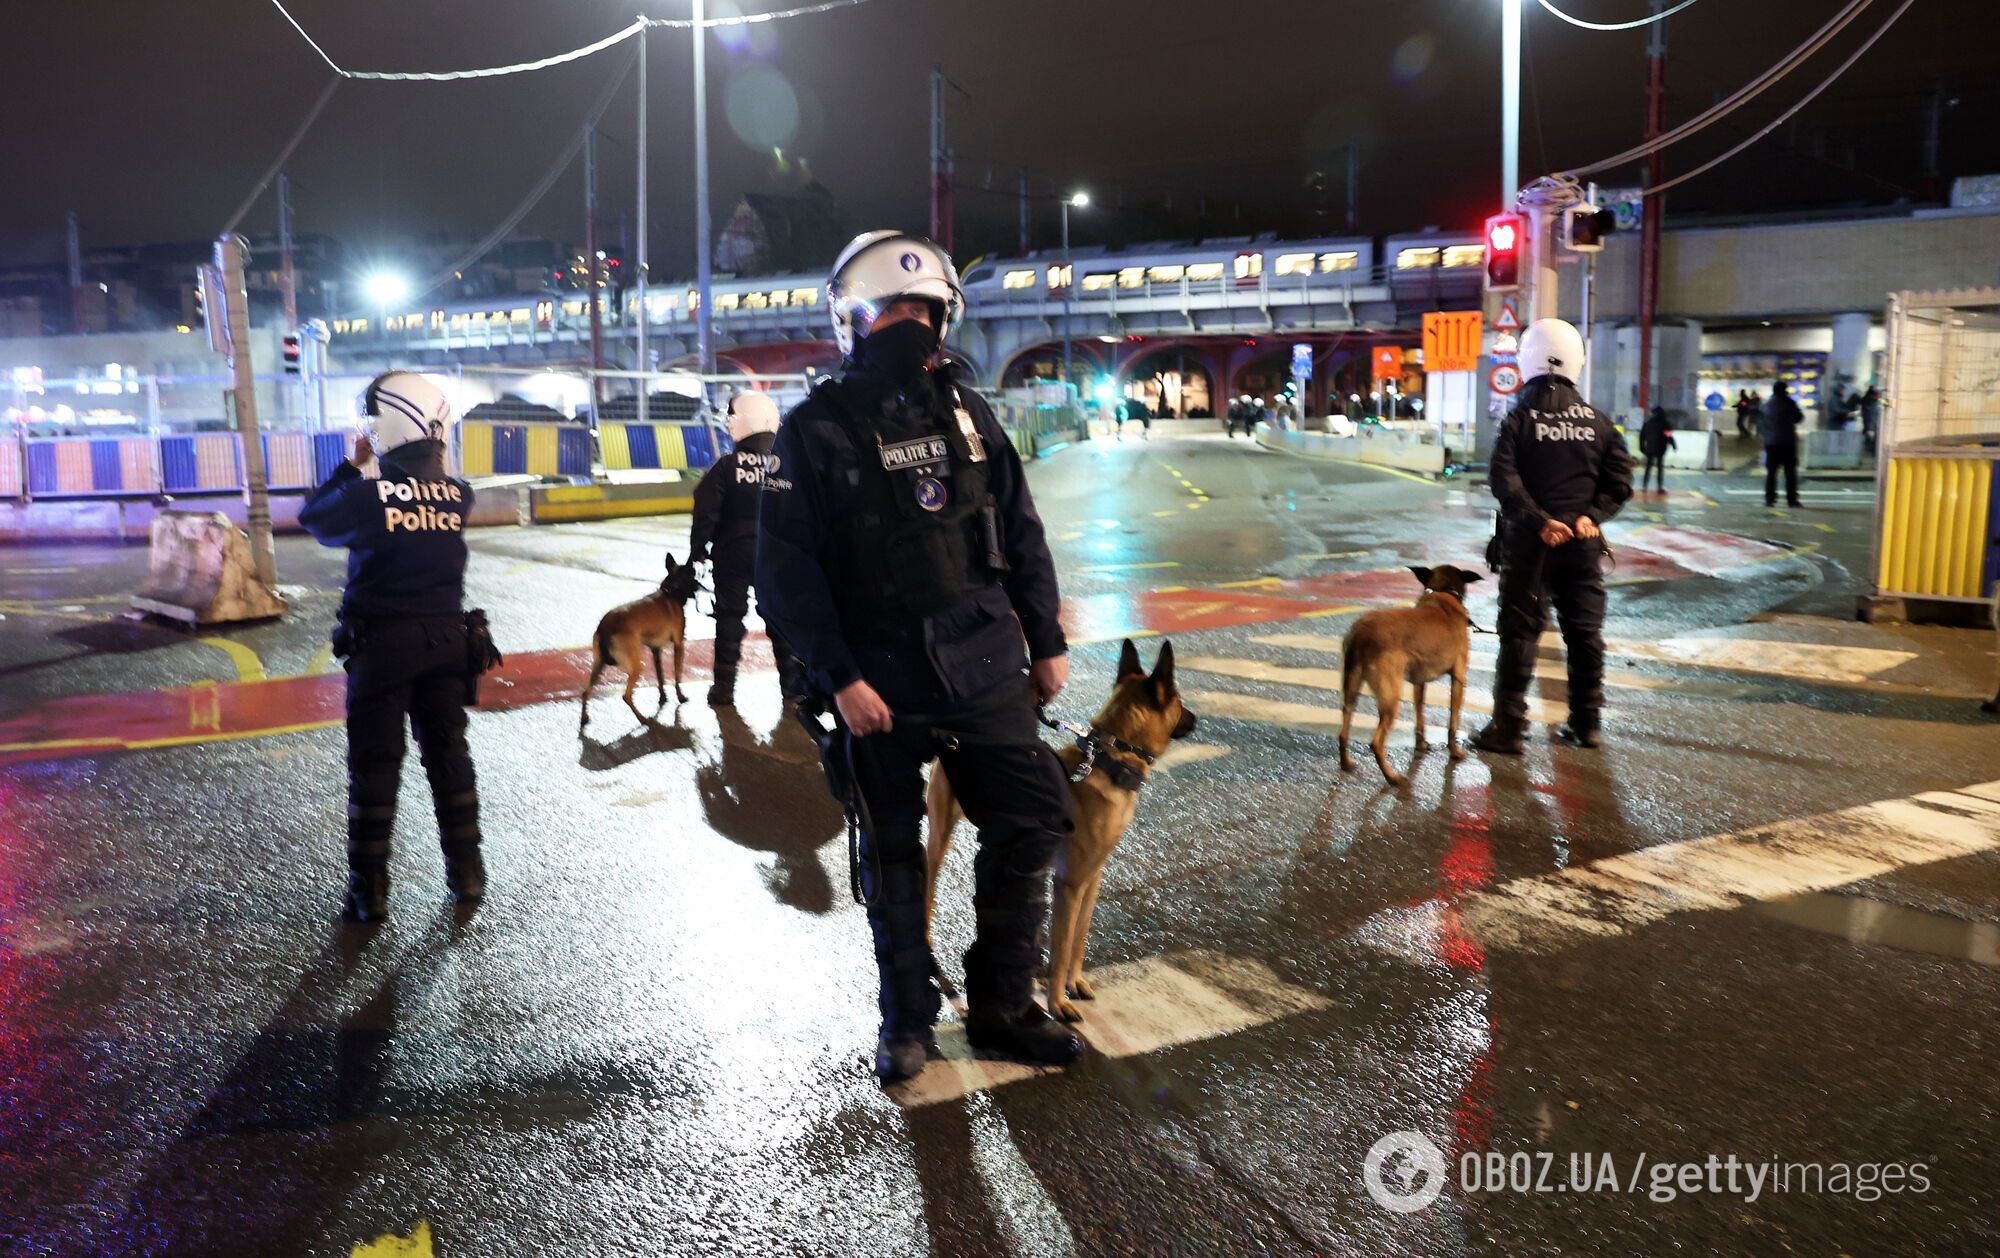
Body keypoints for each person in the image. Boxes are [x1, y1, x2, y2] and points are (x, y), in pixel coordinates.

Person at [756, 231, 1081, 1082]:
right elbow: (784, 573)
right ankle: (906, 1019)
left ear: (943, 316)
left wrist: (1045, 640)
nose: (910, 324)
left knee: (1036, 815)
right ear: (854, 321)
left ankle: (1005, 1005)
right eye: (891, 310)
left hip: (981, 661)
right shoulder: (814, 430)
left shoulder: (972, 415)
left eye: (923, 310)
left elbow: (1019, 530)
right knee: (893, 851)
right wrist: (840, 676)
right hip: (878, 677)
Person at [300, 372, 491, 921]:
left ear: (385, 425)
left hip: (384, 647)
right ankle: (468, 875)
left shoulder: (366, 497)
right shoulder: (459, 495)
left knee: (376, 765)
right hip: (447, 642)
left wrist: (352, 464)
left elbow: (315, 517)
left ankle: (370, 891)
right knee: (449, 756)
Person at [1472, 319, 1633, 755]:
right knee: (1584, 635)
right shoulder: (1599, 424)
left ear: (1527, 362)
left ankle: (1508, 727)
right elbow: (1620, 483)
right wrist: (1591, 517)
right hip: (1581, 548)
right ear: (1576, 361)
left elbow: (1503, 480)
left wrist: (1540, 520)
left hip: (1529, 546)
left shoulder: (1519, 420)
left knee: (1521, 632)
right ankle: (1586, 723)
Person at [690, 390, 785, 706]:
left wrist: (698, 550)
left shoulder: (727, 466)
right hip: (776, 552)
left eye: (732, 419)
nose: (729, 425)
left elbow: (706, 511)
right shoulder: (786, 465)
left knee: (730, 616)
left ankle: (723, 689)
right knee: (782, 617)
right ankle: (796, 687)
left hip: (732, 551)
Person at [1760, 381, 1805, 508]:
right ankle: (1792, 499)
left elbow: (1761, 424)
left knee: (1771, 472)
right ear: (1785, 390)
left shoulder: (1766, 405)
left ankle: (1770, 499)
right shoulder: (1789, 403)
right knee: (1790, 472)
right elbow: (1798, 418)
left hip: (1771, 443)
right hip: (1787, 442)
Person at [1638, 405, 1676, 494]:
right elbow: (1668, 435)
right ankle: (1659, 487)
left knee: (1648, 467)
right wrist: (1673, 444)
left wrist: (1642, 447)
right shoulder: (1665, 423)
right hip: (1660, 448)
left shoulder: (1648, 423)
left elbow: (1642, 436)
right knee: (1659, 467)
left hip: (1650, 448)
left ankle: (1644, 486)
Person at [1860, 385, 1882, 454]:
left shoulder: (1868, 401)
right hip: (1871, 427)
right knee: (1871, 443)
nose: (1879, 396)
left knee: (1870, 442)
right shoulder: (1873, 403)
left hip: (1869, 426)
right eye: (1878, 394)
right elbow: (1871, 417)